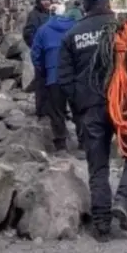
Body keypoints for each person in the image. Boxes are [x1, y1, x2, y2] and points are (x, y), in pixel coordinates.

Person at [57, 0, 127, 242]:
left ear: (85, 5)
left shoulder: (71, 35)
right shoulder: (125, 26)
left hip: (90, 109)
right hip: (124, 103)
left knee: (97, 165)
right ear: (107, 2)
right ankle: (123, 200)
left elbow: (64, 79)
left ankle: (102, 226)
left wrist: (80, 105)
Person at [30, 8, 81, 155]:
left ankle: (61, 146)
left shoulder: (43, 29)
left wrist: (43, 70)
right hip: (74, 76)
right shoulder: (77, 28)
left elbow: (35, 54)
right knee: (78, 109)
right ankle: (83, 145)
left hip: (53, 76)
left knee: (57, 111)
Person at [23, 0, 53, 118]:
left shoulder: (52, 14)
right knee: (41, 83)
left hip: (52, 54)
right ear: (38, 1)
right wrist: (37, 48)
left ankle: (53, 109)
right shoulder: (34, 15)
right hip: (41, 54)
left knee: (53, 82)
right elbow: (28, 34)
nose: (46, 2)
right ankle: (41, 111)